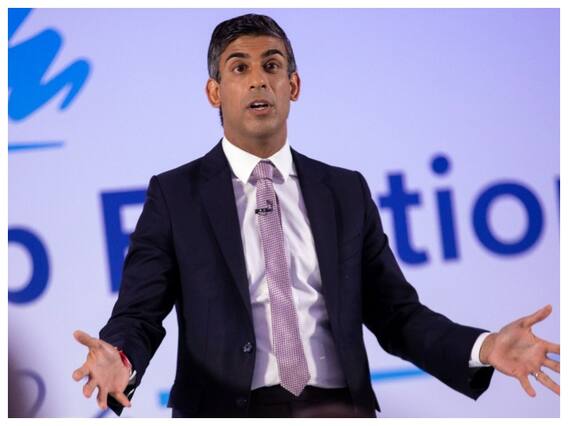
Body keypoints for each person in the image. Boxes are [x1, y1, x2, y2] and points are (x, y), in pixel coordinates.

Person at [72, 14, 560, 418]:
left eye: (272, 65)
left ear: (294, 85)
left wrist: (484, 347)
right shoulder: (176, 195)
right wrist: (121, 359)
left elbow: (397, 316)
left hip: (338, 408)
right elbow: (139, 314)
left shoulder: (344, 191)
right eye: (239, 68)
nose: (259, 79)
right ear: (214, 92)